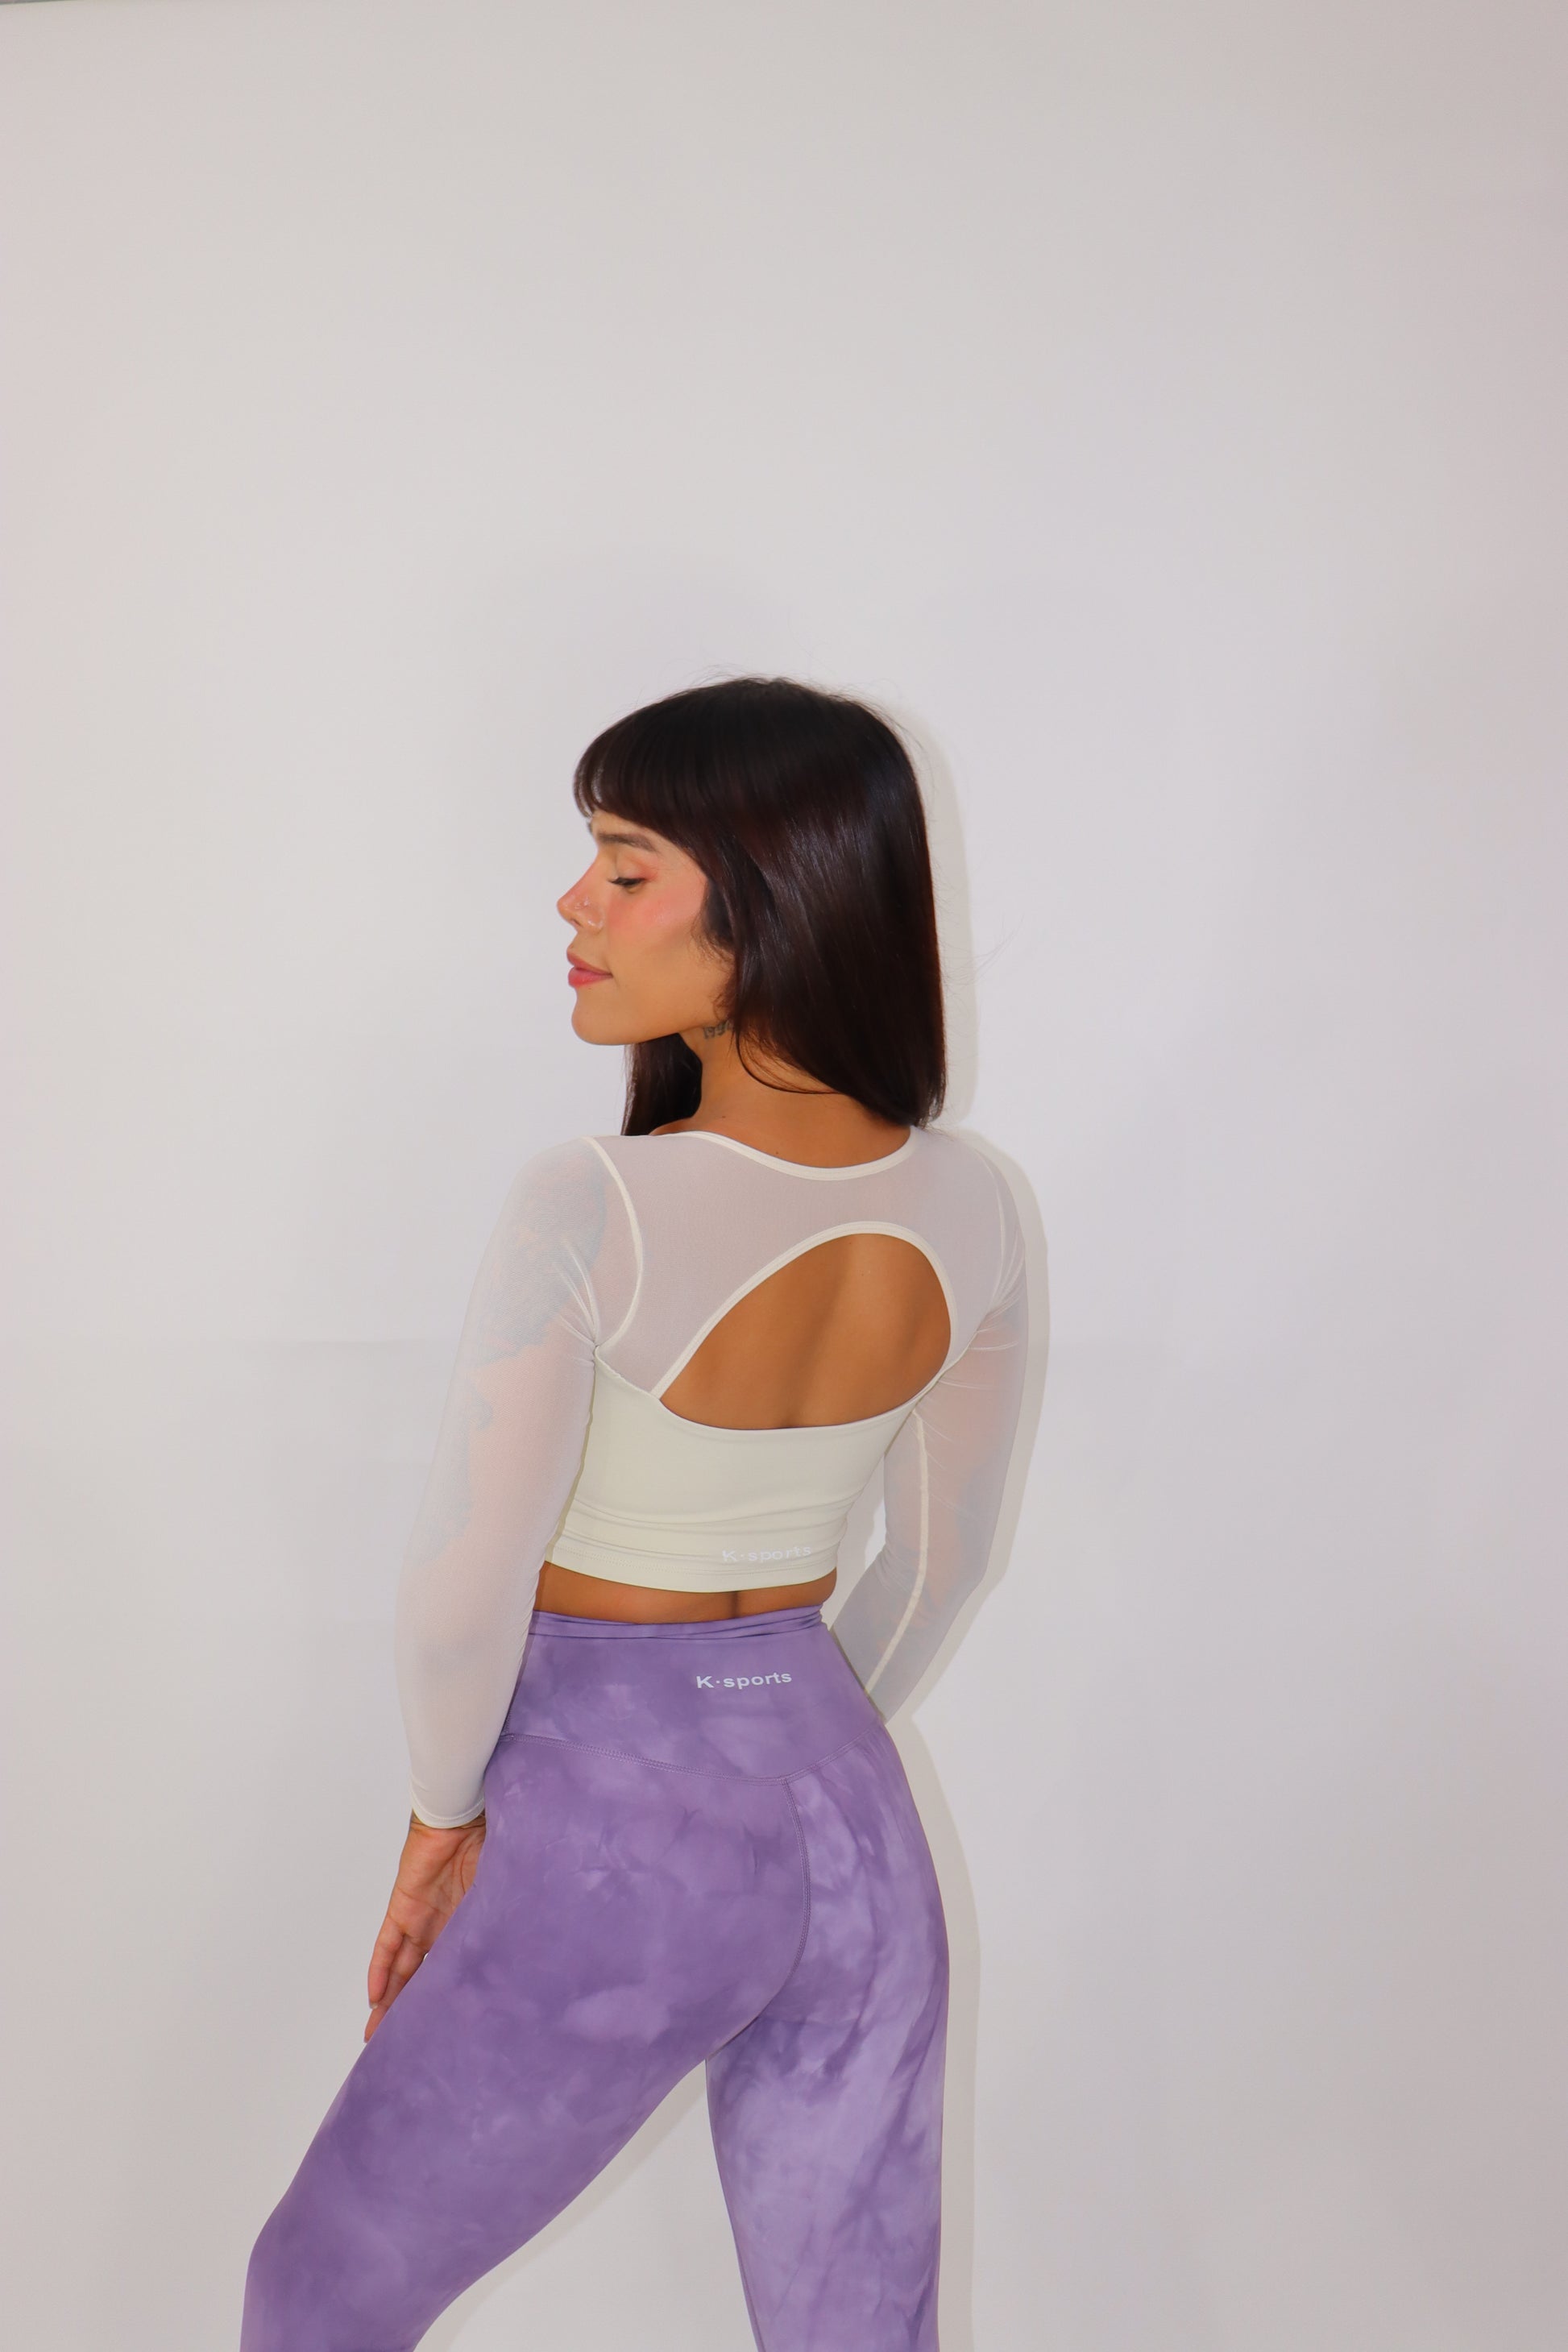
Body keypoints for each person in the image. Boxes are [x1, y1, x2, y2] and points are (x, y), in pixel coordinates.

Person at [241, 677, 1032, 2352]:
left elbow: (464, 1584)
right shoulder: (976, 1205)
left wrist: (442, 1816)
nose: (572, 907)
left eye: (622, 868)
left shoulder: (595, 1199)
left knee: (318, 2290)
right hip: (855, 1833)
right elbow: (939, 1564)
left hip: (616, 1835)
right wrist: (787, 1743)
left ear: (771, 899)